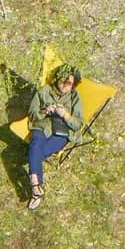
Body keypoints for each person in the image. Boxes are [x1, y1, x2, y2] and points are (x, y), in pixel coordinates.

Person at [26, 65, 84, 210]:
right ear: (56, 79)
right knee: (35, 144)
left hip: (62, 132)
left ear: (73, 85)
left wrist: (66, 115)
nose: (65, 85)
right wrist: (45, 111)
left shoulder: (75, 97)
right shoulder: (44, 91)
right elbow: (32, 113)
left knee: (36, 153)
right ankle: (35, 185)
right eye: (63, 80)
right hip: (42, 126)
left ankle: (36, 190)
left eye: (69, 83)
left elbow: (78, 125)